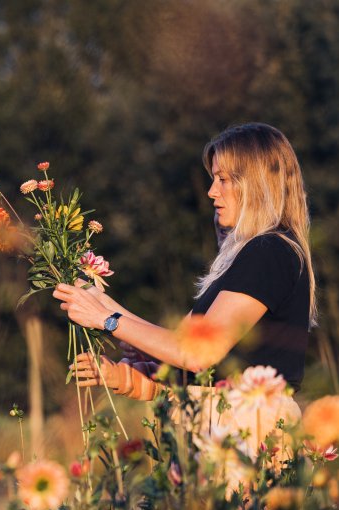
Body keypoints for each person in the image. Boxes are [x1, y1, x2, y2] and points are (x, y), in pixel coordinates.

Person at [54, 123, 316, 398]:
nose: (211, 192)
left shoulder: (269, 252)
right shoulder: (261, 254)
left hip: (250, 426)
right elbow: (180, 345)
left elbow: (196, 354)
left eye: (223, 179)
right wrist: (97, 300)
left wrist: (106, 320)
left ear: (254, 184)